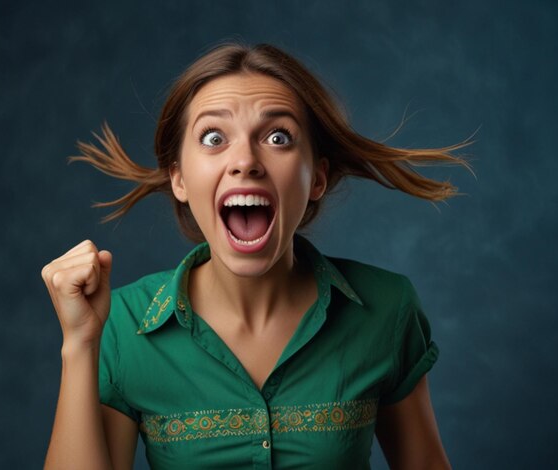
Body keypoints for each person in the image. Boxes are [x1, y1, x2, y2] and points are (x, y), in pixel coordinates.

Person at [42, 42, 470, 469]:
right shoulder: (123, 325)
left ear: (316, 177)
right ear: (179, 179)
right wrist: (79, 344)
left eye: (278, 137)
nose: (245, 160)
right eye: (213, 138)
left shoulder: (387, 309)